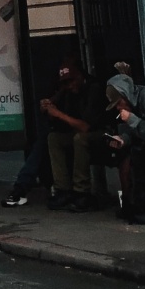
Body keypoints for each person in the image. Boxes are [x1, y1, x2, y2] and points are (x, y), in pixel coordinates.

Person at [43, 58, 103, 209]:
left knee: (80, 138)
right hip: (79, 133)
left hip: (103, 134)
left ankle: (81, 192)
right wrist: (50, 110)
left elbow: (85, 127)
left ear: (80, 76)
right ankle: (62, 189)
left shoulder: (93, 88)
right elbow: (62, 123)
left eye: (71, 81)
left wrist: (58, 114)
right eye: (65, 83)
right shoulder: (69, 92)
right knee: (54, 138)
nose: (69, 86)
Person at [105, 66, 145, 222]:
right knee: (125, 157)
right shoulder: (126, 109)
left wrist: (132, 119)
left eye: (120, 103)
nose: (119, 108)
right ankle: (130, 203)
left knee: (138, 156)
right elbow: (132, 134)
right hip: (140, 144)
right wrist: (123, 139)